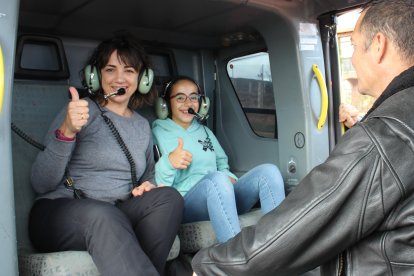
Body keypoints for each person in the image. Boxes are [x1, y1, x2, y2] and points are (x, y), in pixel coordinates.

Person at [192, 0, 414, 275]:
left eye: (354, 46)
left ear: (378, 45)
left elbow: (298, 227)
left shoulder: (381, 138)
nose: (353, 58)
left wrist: (207, 265)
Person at [29, 34, 184, 276]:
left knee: (169, 198)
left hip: (115, 215)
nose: (119, 78)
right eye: (110, 69)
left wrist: (148, 186)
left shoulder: (142, 126)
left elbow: (150, 176)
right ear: (96, 75)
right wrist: (67, 131)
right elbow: (41, 182)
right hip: (58, 213)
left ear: (143, 79)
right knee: (103, 215)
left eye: (129, 70)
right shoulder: (79, 111)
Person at [152, 76, 285, 243]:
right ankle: (237, 259)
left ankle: (278, 248)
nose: (188, 103)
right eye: (180, 98)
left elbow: (222, 164)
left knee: (269, 172)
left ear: (201, 103)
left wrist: (230, 177)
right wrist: (169, 163)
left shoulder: (205, 132)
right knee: (217, 179)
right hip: (186, 203)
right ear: (165, 104)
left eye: (193, 97)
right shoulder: (157, 133)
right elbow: (154, 182)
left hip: (222, 192)